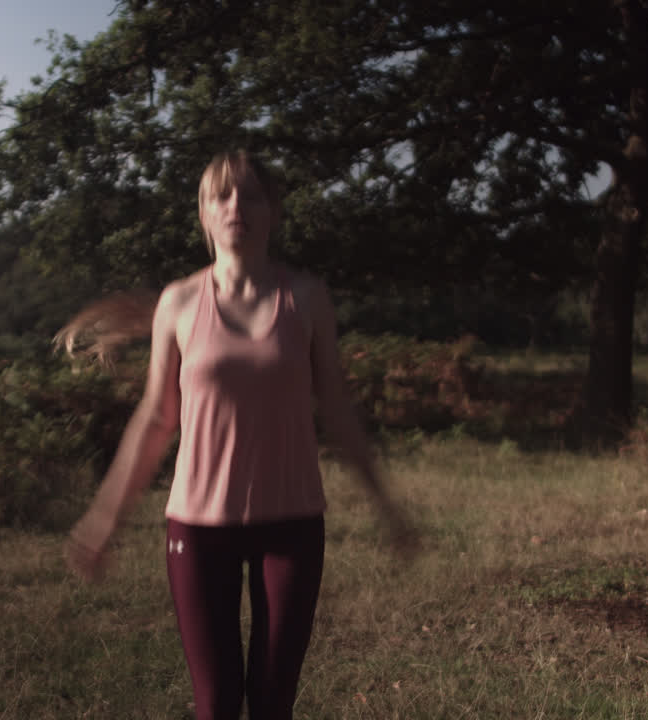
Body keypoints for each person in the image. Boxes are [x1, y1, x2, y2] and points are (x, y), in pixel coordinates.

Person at [62, 150, 416, 720]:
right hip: (198, 530)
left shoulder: (307, 299)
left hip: (294, 524)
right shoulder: (179, 303)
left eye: (250, 194)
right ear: (203, 214)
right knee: (218, 702)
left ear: (273, 211)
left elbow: (340, 412)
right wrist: (104, 519)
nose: (235, 206)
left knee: (273, 703)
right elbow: (156, 419)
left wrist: (387, 507)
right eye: (220, 196)